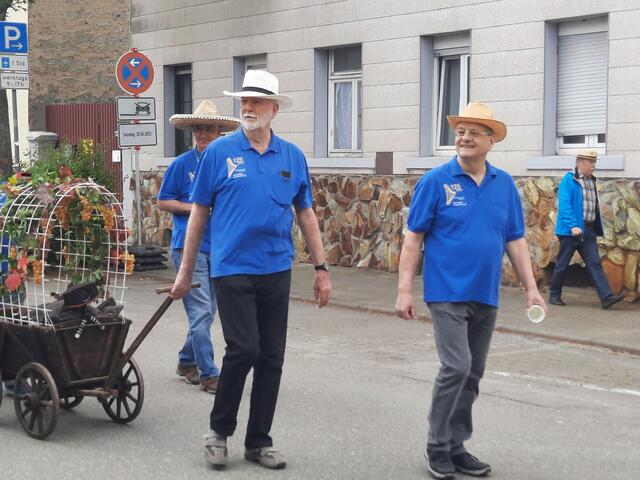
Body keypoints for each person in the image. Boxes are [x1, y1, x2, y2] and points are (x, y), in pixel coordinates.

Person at [170, 70, 331, 470]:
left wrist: (321, 267)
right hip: (231, 268)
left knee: (272, 357)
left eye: (256, 101)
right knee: (244, 349)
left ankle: (259, 441)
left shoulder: (292, 156)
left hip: (276, 268)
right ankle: (218, 432)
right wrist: (185, 271)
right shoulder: (219, 153)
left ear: (274, 109)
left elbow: (306, 214)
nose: (248, 107)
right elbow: (198, 214)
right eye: (244, 100)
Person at [395, 102, 547, 480]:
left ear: (491, 141)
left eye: (473, 132)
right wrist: (404, 290)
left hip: (485, 293)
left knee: (473, 372)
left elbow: (515, 240)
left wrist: (531, 288)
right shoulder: (436, 181)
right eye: (460, 131)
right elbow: (413, 238)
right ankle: (436, 445)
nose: (463, 138)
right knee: (457, 366)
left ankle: (456, 446)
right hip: (446, 291)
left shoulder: (504, 185)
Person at [158, 100, 240, 394]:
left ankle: (186, 361)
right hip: (188, 247)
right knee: (202, 312)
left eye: (209, 129)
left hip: (219, 247)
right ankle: (209, 373)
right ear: (193, 131)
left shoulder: (228, 164)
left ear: (219, 132)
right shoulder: (181, 165)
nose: (203, 134)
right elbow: (163, 201)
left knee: (208, 311)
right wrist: (195, 208)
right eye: (199, 129)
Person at [548, 150, 624, 309]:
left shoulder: (591, 180)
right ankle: (554, 295)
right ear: (580, 162)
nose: (594, 165)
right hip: (571, 231)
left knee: (594, 263)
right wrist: (573, 226)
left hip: (588, 230)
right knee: (562, 264)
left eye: (594, 162)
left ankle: (607, 298)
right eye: (591, 162)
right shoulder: (569, 180)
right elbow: (565, 206)